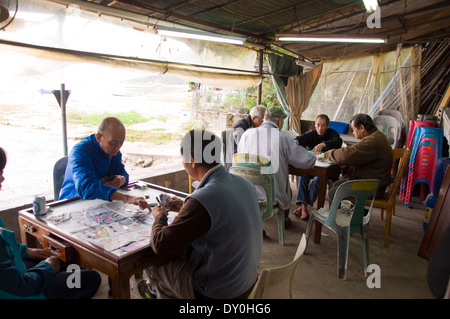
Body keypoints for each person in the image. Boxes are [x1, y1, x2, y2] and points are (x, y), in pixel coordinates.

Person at [141, 129, 263, 299]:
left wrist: (159, 216)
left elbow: (160, 244)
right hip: (248, 283)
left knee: (152, 262)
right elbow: (218, 208)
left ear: (191, 159)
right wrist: (185, 204)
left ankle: (160, 292)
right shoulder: (243, 183)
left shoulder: (202, 200)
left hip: (219, 293)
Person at [0, 147, 101, 299]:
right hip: (25, 289)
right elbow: (22, 286)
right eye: (0, 173)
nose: (3, 179)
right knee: (91, 278)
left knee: (68, 263)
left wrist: (26, 251)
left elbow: (6, 249)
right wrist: (47, 268)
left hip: (16, 268)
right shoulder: (81, 152)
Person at [237, 106, 316, 227]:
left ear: (265, 119)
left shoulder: (247, 134)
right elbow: (306, 160)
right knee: (286, 189)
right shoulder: (282, 138)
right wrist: (314, 156)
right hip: (271, 194)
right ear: (279, 121)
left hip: (247, 190)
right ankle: (284, 219)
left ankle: (258, 222)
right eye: (282, 122)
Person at [59, 116, 149, 209]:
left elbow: (123, 173)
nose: (117, 147)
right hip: (73, 203)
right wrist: (126, 198)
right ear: (98, 137)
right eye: (112, 142)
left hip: (100, 202)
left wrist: (121, 180)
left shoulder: (114, 151)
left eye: (121, 142)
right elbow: (86, 187)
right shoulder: (80, 152)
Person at [321, 113, 393, 200]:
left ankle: (351, 212)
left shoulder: (372, 141)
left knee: (333, 192)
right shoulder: (375, 136)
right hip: (372, 182)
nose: (353, 133)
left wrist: (327, 154)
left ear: (362, 128)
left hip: (372, 187)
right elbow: (355, 151)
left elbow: (347, 155)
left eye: (354, 130)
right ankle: (353, 212)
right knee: (337, 184)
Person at [293, 114, 343, 220]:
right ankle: (303, 207)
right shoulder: (312, 134)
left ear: (328, 126)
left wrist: (323, 144)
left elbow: (339, 142)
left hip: (328, 170)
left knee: (317, 180)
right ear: (315, 125)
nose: (320, 128)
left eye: (323, 125)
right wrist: (294, 143)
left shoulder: (332, 134)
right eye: (318, 125)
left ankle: (304, 207)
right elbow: (298, 139)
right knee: (303, 176)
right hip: (313, 167)